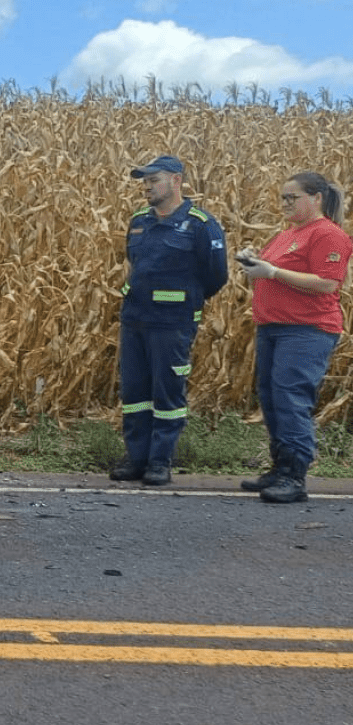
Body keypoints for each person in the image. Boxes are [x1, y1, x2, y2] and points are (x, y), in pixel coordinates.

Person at [233, 172, 352, 503]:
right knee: (271, 398)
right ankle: (280, 467)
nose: (285, 203)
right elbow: (277, 270)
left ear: (315, 198)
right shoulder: (289, 234)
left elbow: (327, 283)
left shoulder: (329, 235)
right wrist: (255, 260)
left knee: (290, 397)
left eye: (292, 197)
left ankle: (294, 476)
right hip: (272, 326)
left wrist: (271, 271)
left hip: (306, 329)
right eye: (283, 198)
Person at [112, 155, 229, 486]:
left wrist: (183, 300)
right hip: (135, 319)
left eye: (154, 179)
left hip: (172, 322)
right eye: (144, 181)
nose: (147, 186)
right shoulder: (138, 221)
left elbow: (216, 276)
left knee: (167, 392)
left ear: (176, 181)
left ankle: (160, 462)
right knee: (135, 392)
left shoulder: (200, 224)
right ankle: (135, 459)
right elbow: (133, 262)